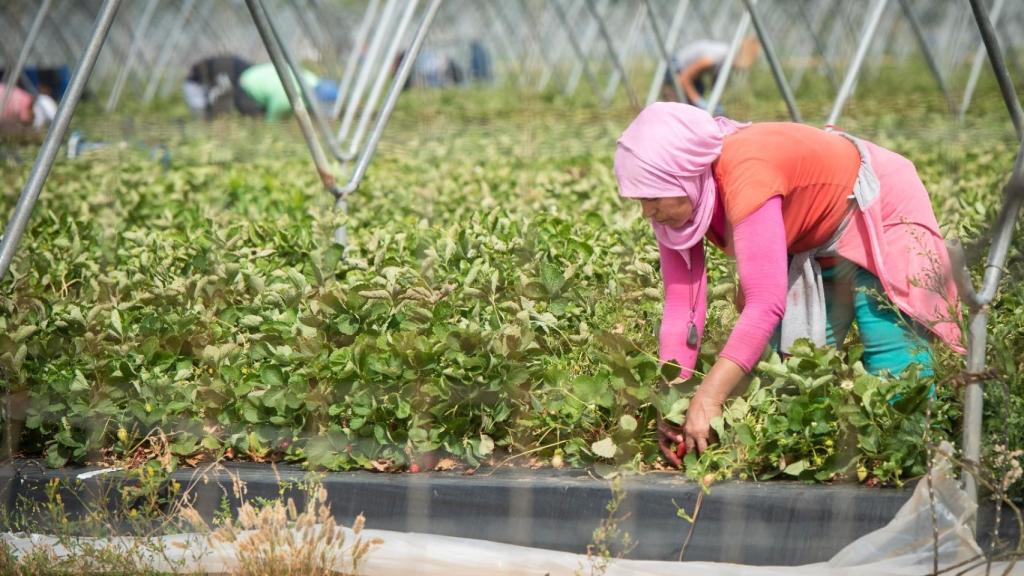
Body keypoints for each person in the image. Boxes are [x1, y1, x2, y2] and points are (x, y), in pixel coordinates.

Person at [613, 103, 963, 466]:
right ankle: (835, 460)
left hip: (879, 209)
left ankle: (913, 470)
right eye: (640, 199)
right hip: (813, 236)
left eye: (653, 198)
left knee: (895, 372)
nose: (647, 212)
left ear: (685, 174)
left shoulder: (746, 171)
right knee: (794, 375)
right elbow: (680, 307)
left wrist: (708, 397)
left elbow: (766, 303)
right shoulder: (678, 206)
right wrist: (673, 398)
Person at [662, 37, 760, 107]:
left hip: (688, 72)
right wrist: (698, 101)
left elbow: (715, 86)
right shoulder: (715, 58)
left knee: (697, 93)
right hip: (675, 65)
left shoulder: (726, 60)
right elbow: (683, 79)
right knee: (683, 99)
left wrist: (716, 104)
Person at [237, 62, 338, 122]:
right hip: (247, 85)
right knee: (257, 120)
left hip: (264, 74)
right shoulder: (286, 99)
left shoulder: (313, 80)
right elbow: (271, 123)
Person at [182, 55, 259, 119]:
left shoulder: (243, 68)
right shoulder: (242, 71)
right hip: (195, 84)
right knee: (202, 114)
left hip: (208, 81)